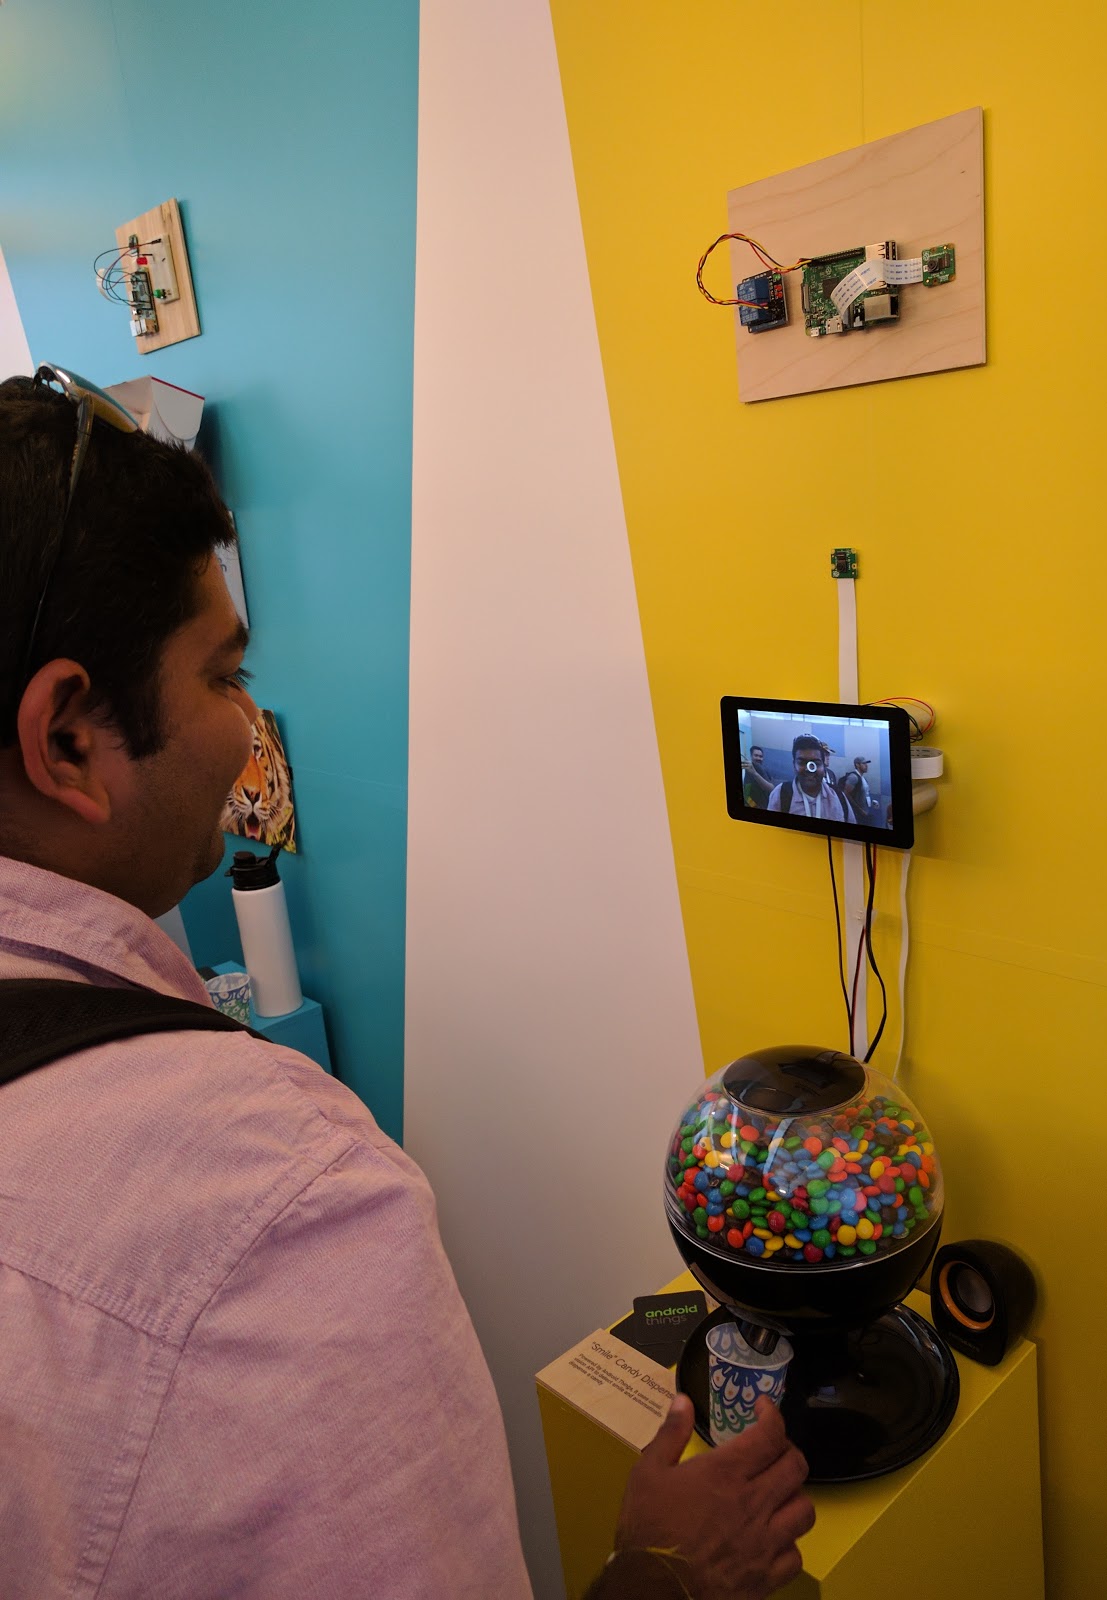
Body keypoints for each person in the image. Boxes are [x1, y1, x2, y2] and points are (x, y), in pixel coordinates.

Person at [0, 368, 815, 1600]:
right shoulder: (282, 1203)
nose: (247, 732)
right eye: (225, 676)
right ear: (67, 737)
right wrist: (661, 1567)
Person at [768, 735, 855, 823]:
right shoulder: (781, 794)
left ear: (823, 766)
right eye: (802, 762)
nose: (809, 769)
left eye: (816, 763)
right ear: (794, 765)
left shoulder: (838, 796)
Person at [840, 756, 879, 825]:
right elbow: (846, 794)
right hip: (857, 814)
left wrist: (872, 802)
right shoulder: (853, 777)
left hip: (864, 812)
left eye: (866, 764)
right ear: (857, 765)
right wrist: (859, 810)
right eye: (864, 763)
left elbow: (865, 794)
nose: (866, 766)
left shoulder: (863, 779)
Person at [741, 743, 773, 807]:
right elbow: (746, 794)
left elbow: (771, 789)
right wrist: (754, 806)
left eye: (761, 756)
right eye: (756, 755)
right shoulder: (745, 772)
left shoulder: (765, 771)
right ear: (751, 756)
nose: (758, 758)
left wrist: (755, 773)